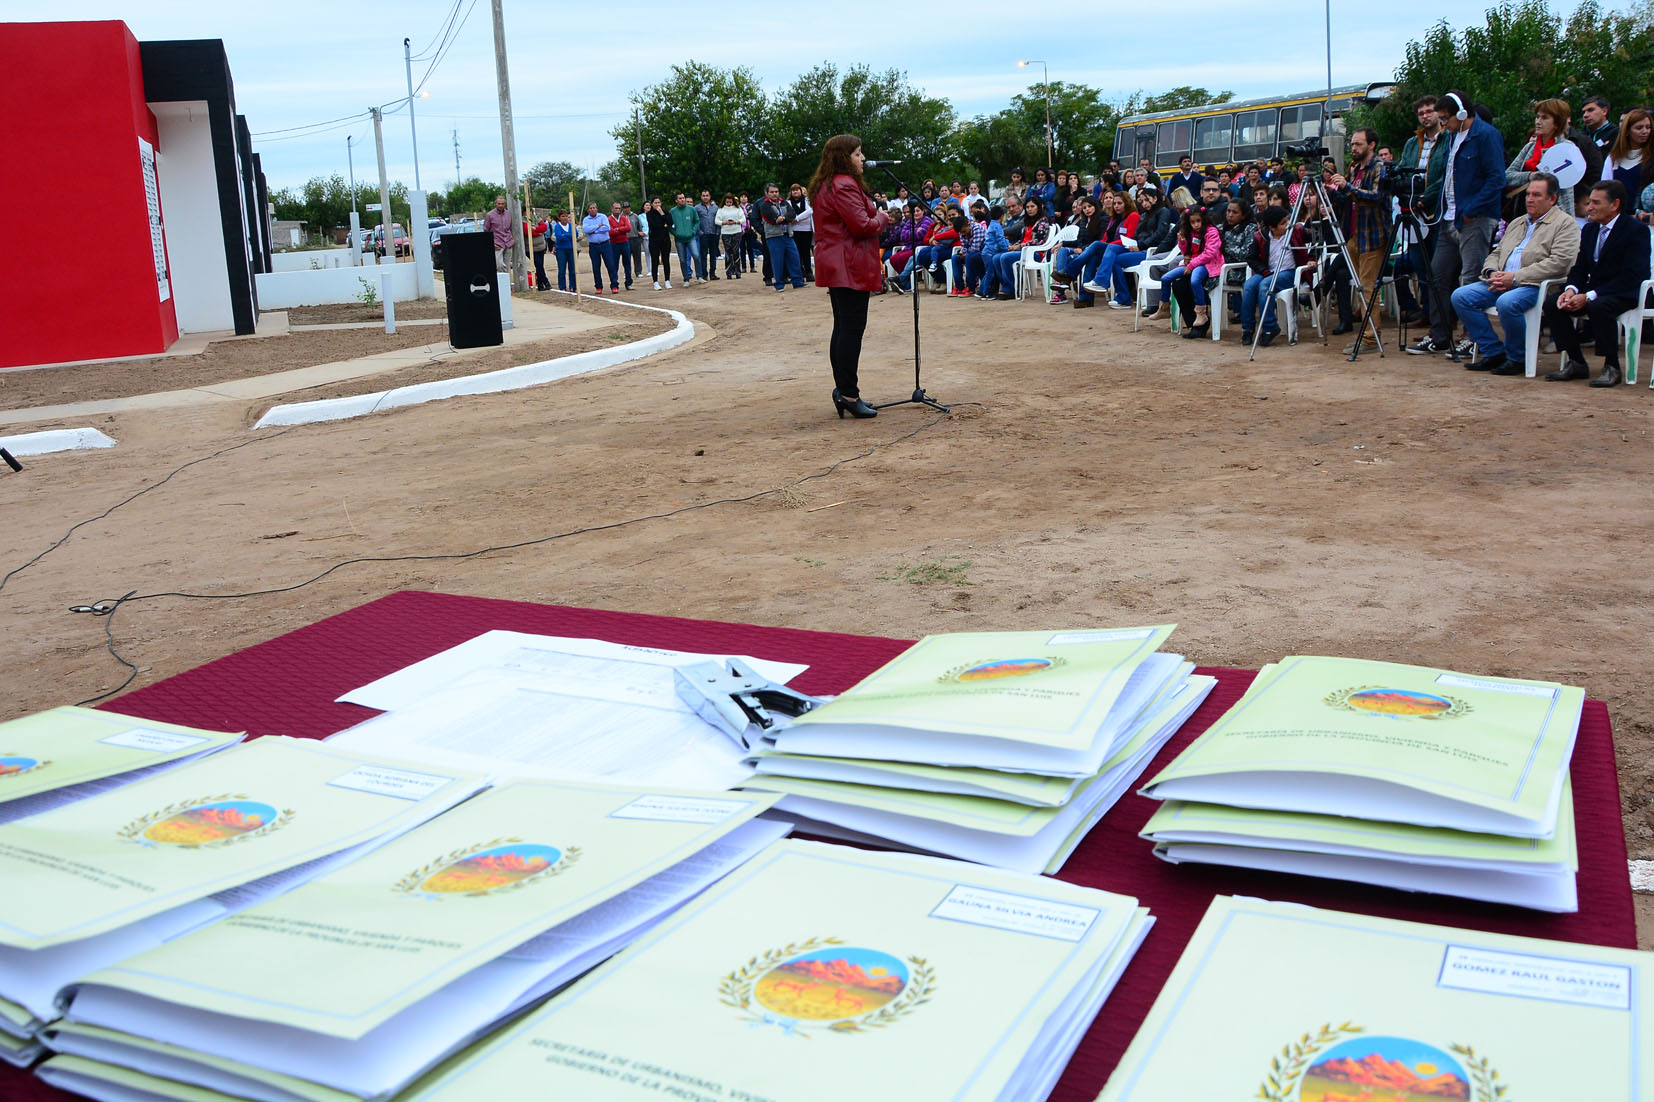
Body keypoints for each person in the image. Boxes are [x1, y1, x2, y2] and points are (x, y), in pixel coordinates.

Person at [1450, 173, 1580, 375]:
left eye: (1537, 195)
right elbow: (1497, 252)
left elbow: (1559, 263)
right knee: (1461, 296)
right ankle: (1493, 352)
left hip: (1536, 285)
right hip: (1502, 280)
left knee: (1507, 303)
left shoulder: (1565, 224)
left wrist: (1516, 277)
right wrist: (1492, 272)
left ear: (1552, 199)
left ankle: (1517, 357)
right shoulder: (1518, 222)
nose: (1529, 199)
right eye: (1528, 194)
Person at [1409, 90, 1505, 357]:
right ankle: (1440, 335)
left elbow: (1496, 178)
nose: (1443, 123)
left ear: (1462, 114)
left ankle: (1473, 337)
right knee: (1438, 275)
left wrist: (1472, 209)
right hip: (1448, 217)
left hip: (1474, 219)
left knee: (1470, 280)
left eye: (1446, 118)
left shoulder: (1486, 136)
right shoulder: (1452, 137)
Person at [1541, 179, 1651, 387]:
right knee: (1553, 304)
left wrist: (1590, 295)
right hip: (1595, 291)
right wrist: (1571, 290)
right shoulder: (1590, 230)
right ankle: (1576, 362)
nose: (1589, 207)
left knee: (1598, 306)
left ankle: (1612, 366)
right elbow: (1580, 268)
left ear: (1615, 204)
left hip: (1625, 292)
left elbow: (1633, 275)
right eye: (1590, 202)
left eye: (1596, 203)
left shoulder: (1636, 231)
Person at [810, 134, 889, 419]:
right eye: (857, 153)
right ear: (845, 157)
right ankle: (848, 394)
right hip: (849, 264)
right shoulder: (843, 185)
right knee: (851, 330)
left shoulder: (828, 184)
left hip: (839, 263)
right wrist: (883, 217)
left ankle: (844, 389)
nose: (863, 158)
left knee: (843, 328)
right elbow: (861, 225)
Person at [1328, 127, 1390, 350]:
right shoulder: (1356, 169)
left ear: (1371, 145)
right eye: (1352, 144)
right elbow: (1349, 198)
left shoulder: (1379, 168)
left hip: (1373, 236)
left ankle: (1371, 338)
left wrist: (1348, 187)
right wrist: (1333, 191)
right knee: (1356, 283)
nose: (1353, 148)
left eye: (1358, 144)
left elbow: (1377, 197)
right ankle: (1363, 331)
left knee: (1367, 287)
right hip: (1355, 235)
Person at [1400, 95, 1450, 329]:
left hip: (1437, 210)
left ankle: (1445, 319)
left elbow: (1445, 176)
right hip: (1414, 212)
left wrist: (1426, 198)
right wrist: (1409, 198)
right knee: (1420, 267)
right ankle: (1428, 315)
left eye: (1429, 111)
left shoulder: (1449, 139)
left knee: (1439, 268)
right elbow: (1402, 171)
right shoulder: (1412, 143)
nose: (1425, 116)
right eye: (1421, 113)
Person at [1085, 185, 1175, 308]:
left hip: (1151, 251)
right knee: (1112, 252)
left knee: (1114, 257)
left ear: (1155, 199)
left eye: (1147, 200)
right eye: (1142, 201)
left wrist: (1140, 245)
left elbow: (1160, 234)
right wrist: (1133, 243)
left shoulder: (1163, 211)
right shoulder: (1143, 215)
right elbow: (1137, 234)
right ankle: (1117, 293)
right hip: (1137, 248)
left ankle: (1115, 292)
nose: (1144, 203)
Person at [1503, 99, 1593, 218]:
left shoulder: (1567, 148)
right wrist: (1529, 176)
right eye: (1537, 117)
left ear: (1557, 123)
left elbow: (1567, 187)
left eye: (1544, 118)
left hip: (1554, 215)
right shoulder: (1529, 147)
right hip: (1522, 212)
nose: (1538, 122)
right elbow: (1507, 176)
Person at [1240, 206, 1311, 345]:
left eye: (1288, 220)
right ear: (1272, 227)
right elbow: (1251, 258)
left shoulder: (1296, 231)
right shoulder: (1260, 236)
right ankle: (1247, 329)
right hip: (1269, 271)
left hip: (1289, 272)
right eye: (1283, 223)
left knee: (1266, 285)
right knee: (1248, 286)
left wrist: (1312, 257)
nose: (1288, 224)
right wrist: (1264, 271)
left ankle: (1269, 327)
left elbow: (1318, 238)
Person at [1155, 205, 1223, 336]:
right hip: (1194, 263)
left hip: (1208, 265)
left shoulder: (1211, 232)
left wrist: (1191, 264)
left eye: (1198, 221)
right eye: (1193, 222)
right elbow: (1187, 251)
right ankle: (1164, 308)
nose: (1196, 225)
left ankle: (1201, 314)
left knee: (1193, 281)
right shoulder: (1190, 233)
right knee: (1169, 279)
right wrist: (1182, 242)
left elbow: (1210, 253)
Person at [758, 183, 805, 292]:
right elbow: (772, 219)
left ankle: (797, 281)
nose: (774, 194)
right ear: (767, 193)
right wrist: (784, 218)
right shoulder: (764, 205)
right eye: (772, 192)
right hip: (774, 236)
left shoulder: (784, 202)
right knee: (777, 260)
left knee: (794, 258)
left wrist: (783, 218)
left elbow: (792, 214)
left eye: (776, 192)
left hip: (787, 234)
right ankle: (779, 284)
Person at [1602, 108, 1651, 207]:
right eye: (1639, 128)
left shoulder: (1651, 156)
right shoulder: (1613, 158)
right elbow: (1605, 189)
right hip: (1619, 215)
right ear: (1627, 131)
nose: (1645, 131)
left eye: (1648, 127)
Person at [580, 202, 618, 293]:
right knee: (596, 266)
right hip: (594, 246)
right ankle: (598, 287)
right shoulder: (586, 219)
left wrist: (593, 230)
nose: (593, 209)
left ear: (597, 209)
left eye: (594, 208)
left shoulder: (603, 217)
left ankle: (614, 285)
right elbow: (586, 230)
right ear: (588, 210)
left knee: (610, 265)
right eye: (591, 208)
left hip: (605, 244)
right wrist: (598, 226)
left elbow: (607, 228)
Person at [669, 193, 700, 285]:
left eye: (683, 198)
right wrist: (675, 233)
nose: (682, 200)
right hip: (679, 239)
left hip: (691, 237)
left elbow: (697, 221)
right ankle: (686, 279)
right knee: (682, 259)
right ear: (676, 200)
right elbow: (669, 225)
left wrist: (693, 231)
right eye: (680, 198)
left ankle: (699, 276)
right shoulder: (673, 211)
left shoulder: (691, 209)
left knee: (696, 256)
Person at [788, 183, 815, 281]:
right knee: (796, 253)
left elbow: (810, 211)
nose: (795, 191)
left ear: (800, 191)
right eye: (793, 190)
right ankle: (799, 274)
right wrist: (795, 218)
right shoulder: (788, 203)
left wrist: (797, 218)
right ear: (791, 192)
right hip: (795, 230)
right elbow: (789, 214)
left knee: (806, 252)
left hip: (806, 230)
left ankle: (809, 273)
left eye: (797, 190)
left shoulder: (807, 201)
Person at [645, 198, 674, 289]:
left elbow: (670, 222)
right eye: (655, 203)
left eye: (659, 202)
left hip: (665, 240)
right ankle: (655, 282)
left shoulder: (665, 212)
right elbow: (654, 225)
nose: (657, 204)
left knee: (666, 260)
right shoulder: (649, 214)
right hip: (654, 240)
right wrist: (663, 224)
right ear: (652, 204)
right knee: (655, 260)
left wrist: (662, 214)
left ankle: (667, 280)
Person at [483, 194, 514, 272]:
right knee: (499, 265)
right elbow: (486, 231)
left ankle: (505, 283)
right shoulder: (489, 215)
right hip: (497, 244)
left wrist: (512, 240)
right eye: (499, 204)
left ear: (505, 204)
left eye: (502, 204)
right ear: (495, 204)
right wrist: (492, 244)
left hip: (508, 243)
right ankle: (503, 282)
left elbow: (510, 228)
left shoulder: (508, 214)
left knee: (507, 266)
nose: (500, 205)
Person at [716, 193, 745, 278]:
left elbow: (743, 219)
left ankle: (737, 272)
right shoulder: (721, 209)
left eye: (730, 201)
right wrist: (724, 222)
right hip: (726, 232)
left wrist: (736, 222)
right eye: (727, 201)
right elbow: (716, 221)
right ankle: (729, 272)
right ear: (724, 201)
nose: (729, 203)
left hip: (736, 231)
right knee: (728, 252)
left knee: (736, 252)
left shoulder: (738, 209)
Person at [694, 190, 721, 280]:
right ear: (701, 197)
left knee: (713, 255)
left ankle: (712, 273)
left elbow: (718, 219)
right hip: (703, 234)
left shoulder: (715, 207)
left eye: (707, 195)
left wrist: (718, 232)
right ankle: (704, 274)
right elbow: (695, 221)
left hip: (714, 234)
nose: (705, 197)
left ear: (710, 196)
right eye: (703, 195)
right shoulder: (697, 208)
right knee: (703, 255)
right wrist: (700, 232)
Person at [607, 201, 634, 291]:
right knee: (614, 265)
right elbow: (610, 232)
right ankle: (614, 284)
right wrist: (622, 229)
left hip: (625, 242)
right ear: (612, 209)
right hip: (614, 244)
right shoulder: (609, 219)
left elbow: (628, 228)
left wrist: (617, 229)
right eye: (616, 208)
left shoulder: (624, 218)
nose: (618, 210)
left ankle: (629, 283)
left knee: (627, 264)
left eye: (619, 208)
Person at [551, 209, 575, 291]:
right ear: (559, 217)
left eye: (566, 216)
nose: (565, 218)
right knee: (562, 269)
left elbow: (576, 235)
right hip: (561, 249)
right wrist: (569, 236)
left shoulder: (571, 225)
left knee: (572, 269)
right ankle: (562, 286)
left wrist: (565, 234)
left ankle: (573, 286)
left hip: (571, 249)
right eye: (562, 216)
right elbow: (559, 237)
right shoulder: (557, 226)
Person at [625, 201, 646, 278]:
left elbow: (640, 227)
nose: (626, 209)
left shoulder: (635, 216)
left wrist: (639, 234)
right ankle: (627, 272)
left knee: (637, 256)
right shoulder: (621, 217)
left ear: (630, 207)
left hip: (635, 238)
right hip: (626, 239)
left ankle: (638, 271)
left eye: (627, 207)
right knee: (626, 257)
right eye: (625, 208)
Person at [531, 213, 550, 291]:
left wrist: (535, 229)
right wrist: (539, 231)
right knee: (538, 264)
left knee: (540, 265)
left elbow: (544, 227)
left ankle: (540, 284)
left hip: (541, 247)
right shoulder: (523, 219)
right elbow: (528, 231)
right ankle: (545, 281)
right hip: (531, 248)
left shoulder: (537, 217)